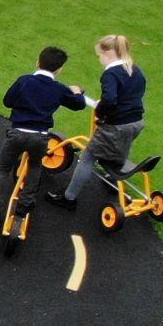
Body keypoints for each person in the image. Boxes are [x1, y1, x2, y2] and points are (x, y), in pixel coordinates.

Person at [0, 45, 87, 225]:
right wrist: (76, 92)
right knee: (34, 166)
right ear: (60, 69)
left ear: (38, 62)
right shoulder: (58, 89)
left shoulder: (24, 81)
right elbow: (78, 105)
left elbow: (7, 101)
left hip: (17, 133)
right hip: (40, 137)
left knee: (3, 169)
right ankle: (25, 203)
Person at [57, 34, 146, 212]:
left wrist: (101, 112)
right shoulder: (135, 69)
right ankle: (113, 178)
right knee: (124, 144)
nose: (100, 60)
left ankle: (68, 198)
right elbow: (137, 91)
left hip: (117, 125)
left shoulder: (111, 74)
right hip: (136, 122)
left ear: (108, 53)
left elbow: (111, 99)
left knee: (89, 156)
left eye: (100, 56)